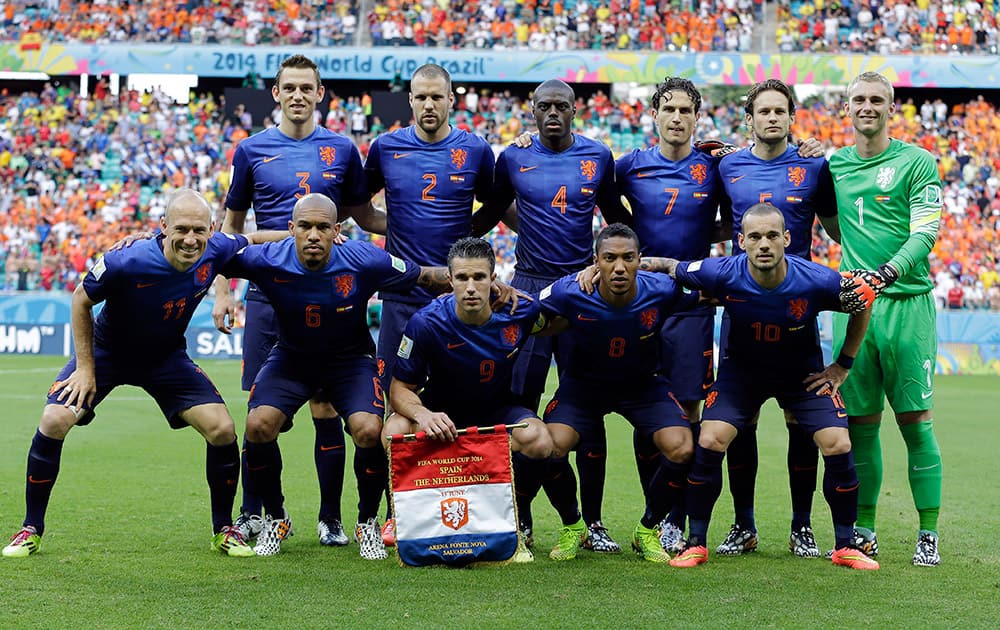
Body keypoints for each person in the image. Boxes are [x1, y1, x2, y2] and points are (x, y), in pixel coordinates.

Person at [2, 189, 282, 559]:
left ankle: (223, 528)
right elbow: (80, 300)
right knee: (54, 419)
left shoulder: (217, 249)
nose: (190, 239)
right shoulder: (125, 260)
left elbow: (256, 237)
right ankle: (30, 528)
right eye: (181, 229)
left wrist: (303, 234)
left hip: (165, 358)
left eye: (199, 230)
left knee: (222, 428)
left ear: (212, 229)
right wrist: (86, 369)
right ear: (163, 227)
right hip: (107, 353)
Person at [216, 194, 477, 559]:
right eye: (304, 226)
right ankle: (275, 518)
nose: (313, 235)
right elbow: (211, 250)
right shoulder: (267, 259)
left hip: (350, 361)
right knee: (258, 425)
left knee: (369, 430)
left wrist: (476, 287)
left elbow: (424, 277)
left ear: (337, 231)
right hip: (291, 359)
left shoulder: (363, 259)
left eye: (323, 227)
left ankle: (366, 522)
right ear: (290, 230)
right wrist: (150, 241)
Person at [649, 203, 879, 570]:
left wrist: (843, 365)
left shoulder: (815, 279)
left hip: (801, 377)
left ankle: (845, 545)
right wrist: (632, 265)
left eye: (772, 235)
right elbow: (671, 268)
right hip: (741, 376)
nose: (764, 244)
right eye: (754, 237)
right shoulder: (722, 271)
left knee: (839, 442)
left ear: (787, 239)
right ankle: (696, 543)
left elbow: (863, 299)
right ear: (740, 242)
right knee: (709, 438)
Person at [214, 54, 383, 549]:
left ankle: (331, 516)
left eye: (306, 88)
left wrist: (435, 225)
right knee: (261, 413)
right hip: (270, 298)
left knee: (327, 406)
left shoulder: (341, 149)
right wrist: (224, 291)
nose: (298, 96)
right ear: (276, 92)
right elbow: (231, 230)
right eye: (289, 87)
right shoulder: (250, 150)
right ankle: (259, 513)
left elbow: (360, 220)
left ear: (319, 92)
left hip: (324, 294)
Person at [471, 79, 632, 553]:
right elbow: (487, 215)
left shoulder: (598, 156)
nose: (554, 113)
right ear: (532, 111)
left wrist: (603, 266)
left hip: (582, 290)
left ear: (576, 110)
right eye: (545, 106)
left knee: (587, 405)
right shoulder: (512, 157)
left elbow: (615, 218)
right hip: (527, 287)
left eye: (562, 105)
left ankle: (594, 523)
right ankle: (516, 518)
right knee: (517, 400)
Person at [361, 64, 495, 545]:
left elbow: (496, 205)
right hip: (401, 296)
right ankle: (382, 514)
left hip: (459, 302)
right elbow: (360, 208)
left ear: (451, 101)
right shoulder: (386, 147)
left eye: (437, 97)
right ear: (411, 101)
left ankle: (472, 504)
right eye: (420, 97)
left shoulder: (475, 150)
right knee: (386, 413)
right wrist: (397, 235)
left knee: (466, 403)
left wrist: (460, 249)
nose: (429, 105)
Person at [714, 79, 840, 559]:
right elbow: (715, 222)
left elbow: (834, 228)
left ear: (792, 117)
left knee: (800, 423)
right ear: (749, 119)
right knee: (738, 424)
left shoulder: (814, 165)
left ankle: (802, 525)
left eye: (780, 111)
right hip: (741, 314)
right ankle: (743, 524)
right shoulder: (726, 164)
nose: (772, 118)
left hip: (797, 316)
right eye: (763, 111)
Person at [830, 71, 944, 567]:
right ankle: (865, 528)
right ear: (847, 107)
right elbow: (833, 224)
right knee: (860, 425)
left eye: (877, 99)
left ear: (892, 108)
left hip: (906, 306)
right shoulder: (833, 165)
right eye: (859, 99)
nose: (868, 106)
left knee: (915, 421)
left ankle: (928, 532)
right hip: (854, 308)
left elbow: (926, 234)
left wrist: (884, 273)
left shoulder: (918, 163)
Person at [382, 237, 554, 561]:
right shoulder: (426, 322)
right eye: (462, 278)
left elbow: (559, 320)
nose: (471, 287)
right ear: (450, 281)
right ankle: (399, 515)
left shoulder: (521, 310)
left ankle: (516, 518)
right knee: (393, 430)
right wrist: (423, 416)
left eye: (479, 277)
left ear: (494, 279)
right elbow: (399, 389)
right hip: (440, 415)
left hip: (495, 410)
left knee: (540, 439)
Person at [613, 77, 728, 553]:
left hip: (693, 305)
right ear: (653, 115)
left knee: (688, 411)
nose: (677, 117)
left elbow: (739, 215)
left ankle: (673, 521)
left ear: (697, 117)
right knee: (645, 413)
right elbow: (596, 206)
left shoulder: (715, 167)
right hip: (640, 305)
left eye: (686, 110)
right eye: (668, 109)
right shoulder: (629, 168)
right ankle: (652, 514)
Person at [538, 223, 700, 562]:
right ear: (596, 262)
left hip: (642, 386)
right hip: (583, 387)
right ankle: (573, 526)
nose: (620, 267)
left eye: (628, 258)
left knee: (683, 447)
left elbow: (711, 288)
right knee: (547, 447)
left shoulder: (662, 289)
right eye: (610, 258)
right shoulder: (571, 291)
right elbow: (527, 310)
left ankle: (647, 530)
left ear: (640, 260)